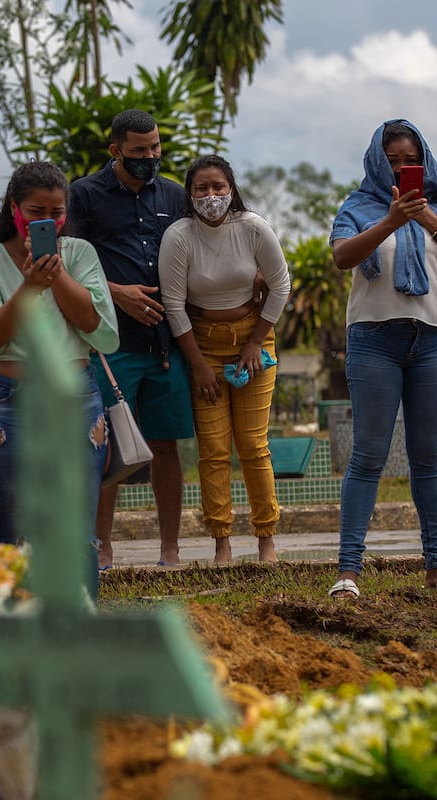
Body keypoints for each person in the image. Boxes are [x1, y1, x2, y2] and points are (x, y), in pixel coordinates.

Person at [327, 119, 437, 600]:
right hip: (375, 340)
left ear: (424, 162)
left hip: (432, 341)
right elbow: (342, 257)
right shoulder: (358, 207)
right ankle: (348, 573)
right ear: (377, 161)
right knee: (368, 454)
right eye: (392, 159)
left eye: (409, 159)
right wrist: (392, 221)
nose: (401, 167)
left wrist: (429, 223)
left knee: (427, 457)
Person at [0, 160, 119, 586]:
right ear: (14, 207)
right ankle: (11, 630)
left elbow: (95, 325)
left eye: (57, 213)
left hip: (75, 397)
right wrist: (29, 286)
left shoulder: (81, 254)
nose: (47, 221)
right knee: (9, 531)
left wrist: (58, 274)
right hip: (7, 397)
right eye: (35, 212)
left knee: (78, 527)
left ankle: (80, 628)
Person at [67, 109, 194, 569]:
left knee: (166, 445)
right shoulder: (83, 195)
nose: (150, 157)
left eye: (155, 148)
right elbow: (68, 259)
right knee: (105, 445)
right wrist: (115, 293)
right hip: (109, 343)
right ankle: (101, 546)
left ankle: (170, 549)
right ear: (115, 150)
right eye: (140, 151)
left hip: (165, 343)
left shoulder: (175, 195)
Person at [158, 155, 291, 563]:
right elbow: (174, 305)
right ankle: (222, 541)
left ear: (231, 189)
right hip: (202, 346)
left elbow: (281, 285)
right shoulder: (179, 236)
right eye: (202, 188)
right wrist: (197, 365)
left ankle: (266, 538)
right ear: (190, 194)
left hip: (253, 341)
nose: (211, 196)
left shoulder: (252, 227)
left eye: (218, 187)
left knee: (253, 444)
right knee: (213, 450)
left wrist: (254, 342)